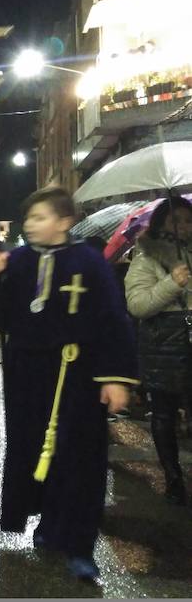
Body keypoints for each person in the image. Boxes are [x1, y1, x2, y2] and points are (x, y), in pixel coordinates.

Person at [0, 187, 137, 581]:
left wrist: (115, 378)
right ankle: (47, 526)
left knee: (79, 458)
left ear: (64, 222)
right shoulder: (16, 259)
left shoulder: (90, 263)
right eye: (28, 218)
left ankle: (79, 545)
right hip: (27, 374)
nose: (30, 225)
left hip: (76, 374)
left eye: (40, 217)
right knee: (33, 451)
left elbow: (113, 319)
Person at [124, 196, 192, 505]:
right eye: (177, 220)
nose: (184, 226)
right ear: (162, 222)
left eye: (188, 220)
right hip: (165, 343)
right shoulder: (146, 258)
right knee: (163, 413)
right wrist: (172, 283)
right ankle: (173, 477)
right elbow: (138, 306)